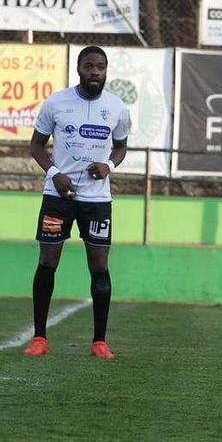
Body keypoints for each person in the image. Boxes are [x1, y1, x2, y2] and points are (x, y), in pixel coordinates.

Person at [23, 46, 130, 360]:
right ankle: (39, 338)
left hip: (97, 201)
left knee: (99, 265)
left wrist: (108, 166)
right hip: (58, 198)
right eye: (89, 66)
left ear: (106, 71)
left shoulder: (117, 108)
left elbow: (121, 148)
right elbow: (36, 145)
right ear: (79, 69)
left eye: (100, 67)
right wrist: (55, 173)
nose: (95, 72)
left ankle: (99, 342)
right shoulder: (57, 103)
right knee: (48, 261)